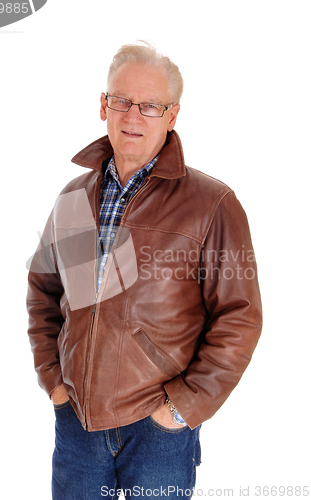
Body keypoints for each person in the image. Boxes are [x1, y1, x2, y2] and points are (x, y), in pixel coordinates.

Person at [27, 42, 262, 500]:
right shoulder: (74, 196)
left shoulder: (212, 204)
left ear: (172, 116)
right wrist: (54, 381)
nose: (133, 116)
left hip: (158, 431)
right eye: (121, 100)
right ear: (103, 106)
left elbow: (240, 317)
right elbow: (43, 291)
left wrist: (181, 408)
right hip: (76, 424)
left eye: (150, 105)